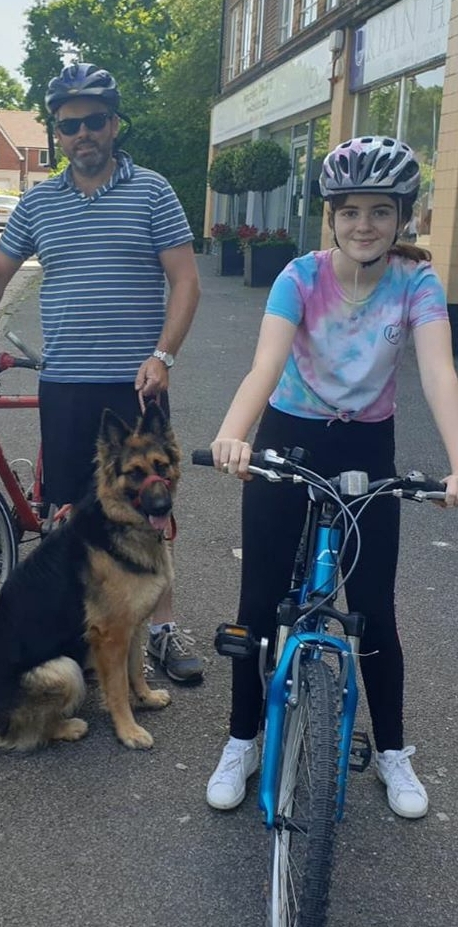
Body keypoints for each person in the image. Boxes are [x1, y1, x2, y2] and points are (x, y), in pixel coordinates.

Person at [203, 136, 458, 819]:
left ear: (403, 216)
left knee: (373, 608)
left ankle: (393, 751)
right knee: (259, 602)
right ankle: (242, 738)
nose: (364, 224)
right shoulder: (299, 276)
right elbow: (265, 364)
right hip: (290, 435)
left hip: (367, 445)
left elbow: (439, 373)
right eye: (350, 211)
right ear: (331, 216)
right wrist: (233, 433)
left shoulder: (417, 283)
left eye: (380, 210)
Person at [0, 63, 205, 684]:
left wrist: (163, 355)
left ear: (114, 124)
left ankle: (161, 629)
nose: (81, 133)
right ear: (57, 134)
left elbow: (186, 281)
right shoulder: (39, 202)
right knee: (67, 513)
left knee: (148, 510)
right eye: (68, 125)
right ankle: (83, 631)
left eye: (94, 121)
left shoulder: (153, 191)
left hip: (138, 384)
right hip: (66, 383)